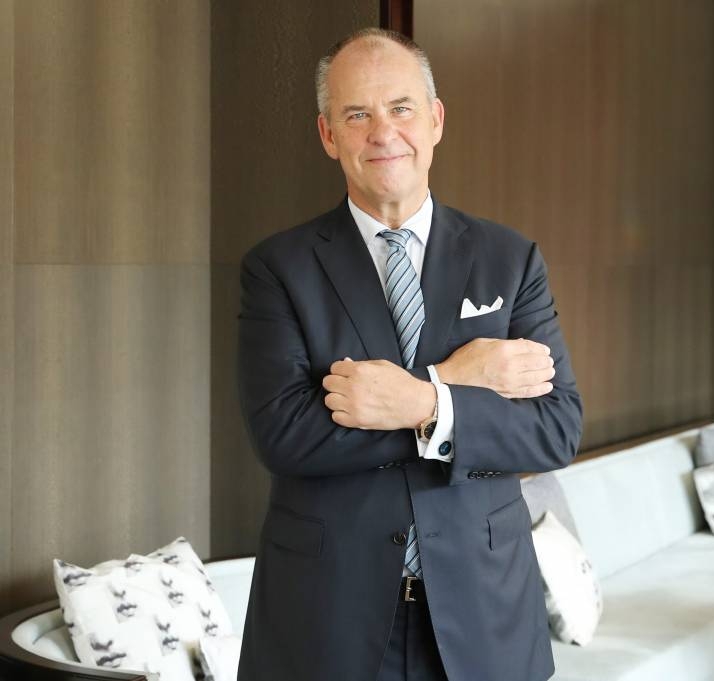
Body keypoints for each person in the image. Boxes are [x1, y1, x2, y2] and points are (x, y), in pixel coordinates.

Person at [235, 28, 583, 681]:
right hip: (327, 620)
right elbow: (285, 436)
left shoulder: (511, 260)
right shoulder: (278, 268)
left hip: (485, 613)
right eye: (356, 115)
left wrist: (422, 403)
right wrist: (453, 380)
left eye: (400, 108)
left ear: (435, 120)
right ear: (328, 135)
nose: (382, 132)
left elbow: (555, 429)